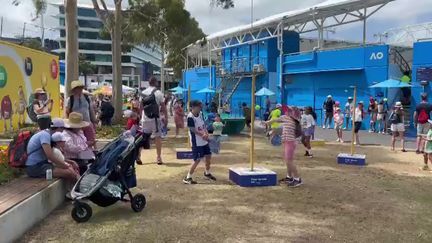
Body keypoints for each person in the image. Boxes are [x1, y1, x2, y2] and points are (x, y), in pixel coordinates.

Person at [267, 106, 302, 187]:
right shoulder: (290, 119)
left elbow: (276, 120)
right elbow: (278, 124)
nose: (286, 111)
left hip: (290, 142)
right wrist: (269, 125)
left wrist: (268, 123)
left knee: (289, 161)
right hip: (288, 142)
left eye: (289, 110)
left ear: (292, 113)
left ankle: (297, 179)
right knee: (288, 160)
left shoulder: (290, 119)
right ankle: (289, 177)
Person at [183, 100, 216, 184]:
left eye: (201, 107)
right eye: (199, 107)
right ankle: (188, 177)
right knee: (197, 160)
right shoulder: (190, 117)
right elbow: (192, 129)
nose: (200, 108)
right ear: (193, 107)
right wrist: (202, 134)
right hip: (196, 142)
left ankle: (207, 173)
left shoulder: (200, 114)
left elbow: (203, 125)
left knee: (208, 156)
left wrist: (206, 133)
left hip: (204, 140)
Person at [66, 80, 97, 149]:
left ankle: (93, 155)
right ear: (74, 89)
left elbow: (91, 110)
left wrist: (94, 121)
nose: (79, 89)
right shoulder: (70, 99)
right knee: (79, 142)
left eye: (80, 88)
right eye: (77, 88)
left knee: (92, 140)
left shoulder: (87, 98)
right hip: (76, 124)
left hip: (87, 122)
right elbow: (67, 112)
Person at [141, 77, 165, 165]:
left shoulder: (143, 93)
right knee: (158, 138)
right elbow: (163, 107)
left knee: (143, 137)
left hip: (145, 118)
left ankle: (138, 156)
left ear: (148, 82)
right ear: (156, 83)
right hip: (155, 119)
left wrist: (140, 117)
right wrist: (165, 117)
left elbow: (141, 107)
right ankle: (158, 157)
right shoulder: (159, 93)